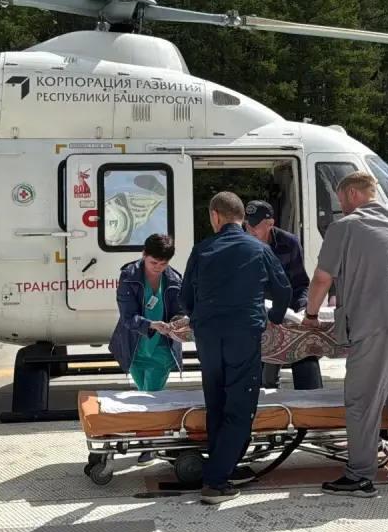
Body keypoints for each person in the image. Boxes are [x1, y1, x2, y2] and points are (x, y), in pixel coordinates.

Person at [301, 171, 388, 498]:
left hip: (378, 321)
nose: (341, 206)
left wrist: (310, 314)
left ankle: (360, 475)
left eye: (340, 199)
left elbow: (322, 278)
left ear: (352, 193)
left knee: (363, 399)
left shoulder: (345, 227)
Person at [180, 192, 293, 505]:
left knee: (216, 402)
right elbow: (283, 290)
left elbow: (185, 297)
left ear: (216, 216)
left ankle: (222, 468)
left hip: (208, 336)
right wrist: (274, 318)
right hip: (243, 335)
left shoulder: (202, 249)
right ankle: (216, 480)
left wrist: (200, 317)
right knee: (240, 408)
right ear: (241, 218)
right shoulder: (259, 248)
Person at [110, 235, 185, 460]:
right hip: (134, 347)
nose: (158, 267)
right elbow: (127, 317)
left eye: (163, 263)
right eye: (154, 262)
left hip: (162, 349)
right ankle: (149, 438)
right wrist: (151, 324)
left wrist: (179, 322)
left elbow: (179, 311)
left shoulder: (174, 279)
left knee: (151, 396)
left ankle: (149, 443)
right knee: (143, 395)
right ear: (144, 255)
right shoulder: (129, 276)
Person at [244, 199, 323, 391]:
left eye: (256, 226)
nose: (250, 230)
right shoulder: (238, 242)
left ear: (270, 224)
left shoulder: (289, 243)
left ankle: (311, 401)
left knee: (306, 349)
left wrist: (304, 310)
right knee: (257, 373)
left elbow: (300, 284)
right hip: (252, 315)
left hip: (286, 311)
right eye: (247, 225)